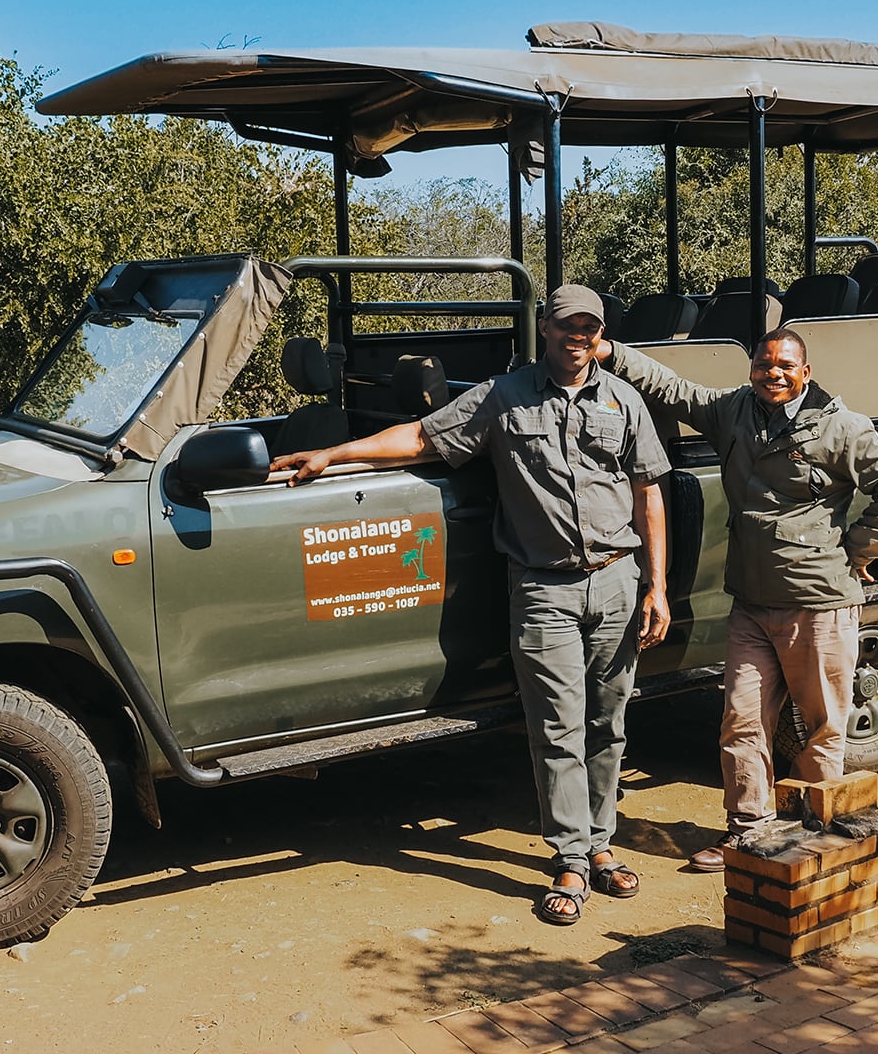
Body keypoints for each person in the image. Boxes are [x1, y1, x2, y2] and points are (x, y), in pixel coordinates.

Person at [273, 285, 670, 925]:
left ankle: (602, 846)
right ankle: (571, 858)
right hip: (543, 587)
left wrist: (657, 585)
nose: (578, 336)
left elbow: (648, 492)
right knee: (557, 727)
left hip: (617, 579)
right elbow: (422, 438)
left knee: (609, 721)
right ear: (546, 327)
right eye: (567, 325)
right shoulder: (503, 396)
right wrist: (335, 454)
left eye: (589, 327)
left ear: (599, 334)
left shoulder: (624, 400)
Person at [595, 327, 878, 872]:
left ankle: (820, 833)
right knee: (742, 723)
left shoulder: (841, 428)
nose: (774, 373)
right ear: (751, 369)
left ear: (806, 372)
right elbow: (670, 387)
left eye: (786, 365)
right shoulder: (734, 412)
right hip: (750, 604)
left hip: (817, 604)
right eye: (764, 363)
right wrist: (609, 352)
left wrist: (860, 550)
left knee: (820, 729)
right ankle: (747, 833)